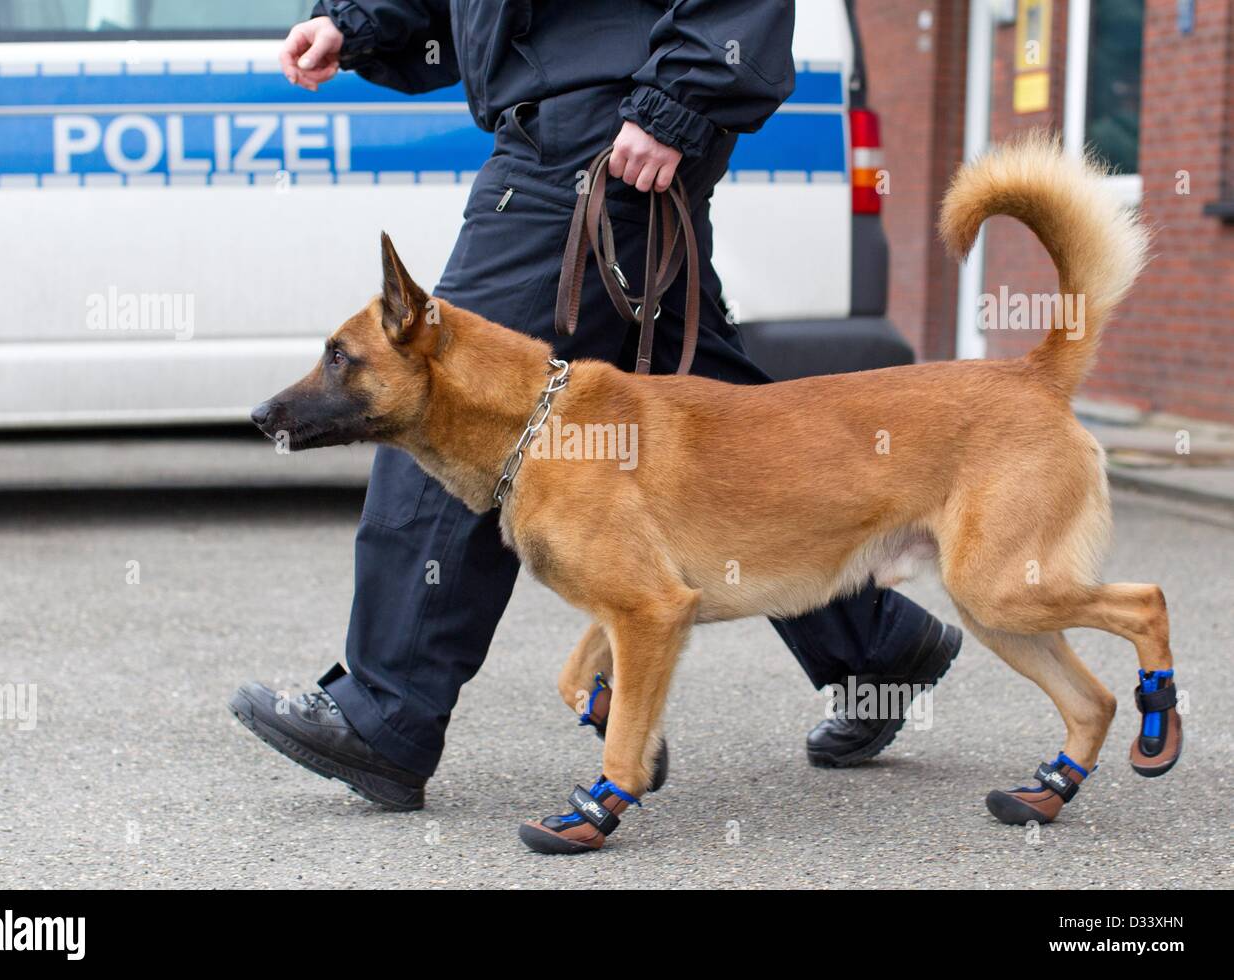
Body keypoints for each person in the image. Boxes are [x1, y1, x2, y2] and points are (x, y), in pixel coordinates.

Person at [229, 0, 962, 811]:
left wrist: (675, 100)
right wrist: (361, 21)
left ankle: (384, 709)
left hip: (604, 130)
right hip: (604, 119)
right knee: (715, 417)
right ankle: (871, 645)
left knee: (446, 396)